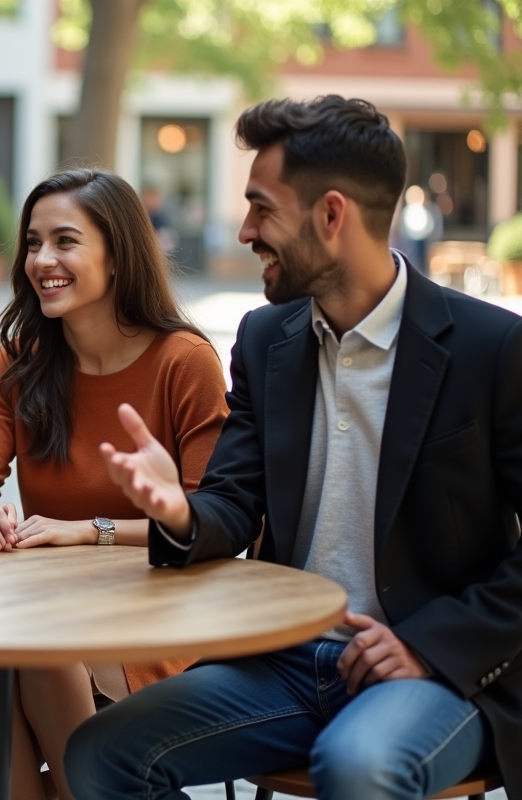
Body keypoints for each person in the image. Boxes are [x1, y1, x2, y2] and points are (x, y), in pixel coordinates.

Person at [67, 95, 522, 800]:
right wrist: (180, 513)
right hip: (281, 661)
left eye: (262, 208)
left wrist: (430, 647)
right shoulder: (264, 339)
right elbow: (233, 501)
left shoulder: (494, 349)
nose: (245, 230)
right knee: (100, 753)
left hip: (429, 670)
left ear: (331, 216)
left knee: (359, 764)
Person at [0, 169, 228, 800]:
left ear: (118, 257)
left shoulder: (184, 362)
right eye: (33, 242)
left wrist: (88, 532)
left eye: (65, 241)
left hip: (163, 614)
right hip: (53, 612)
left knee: (17, 652)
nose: (43, 260)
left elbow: (220, 523)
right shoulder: (20, 362)